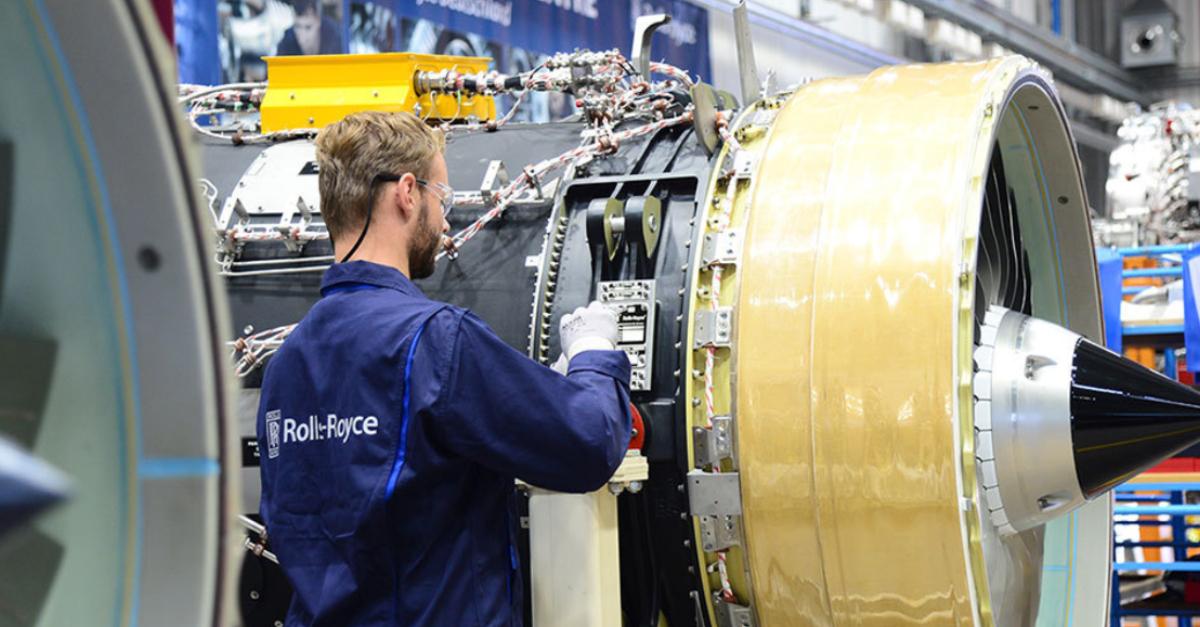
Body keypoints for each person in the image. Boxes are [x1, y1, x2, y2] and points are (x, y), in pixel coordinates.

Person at [256, 110, 632, 626]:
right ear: (407, 193)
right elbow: (589, 442)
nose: (446, 221)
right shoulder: (434, 340)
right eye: (443, 199)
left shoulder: (287, 362)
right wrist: (593, 355)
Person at [276, 0, 343, 56]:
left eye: (308, 27)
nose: (302, 35)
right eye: (297, 26)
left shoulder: (334, 36)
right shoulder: (287, 39)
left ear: (318, 21)